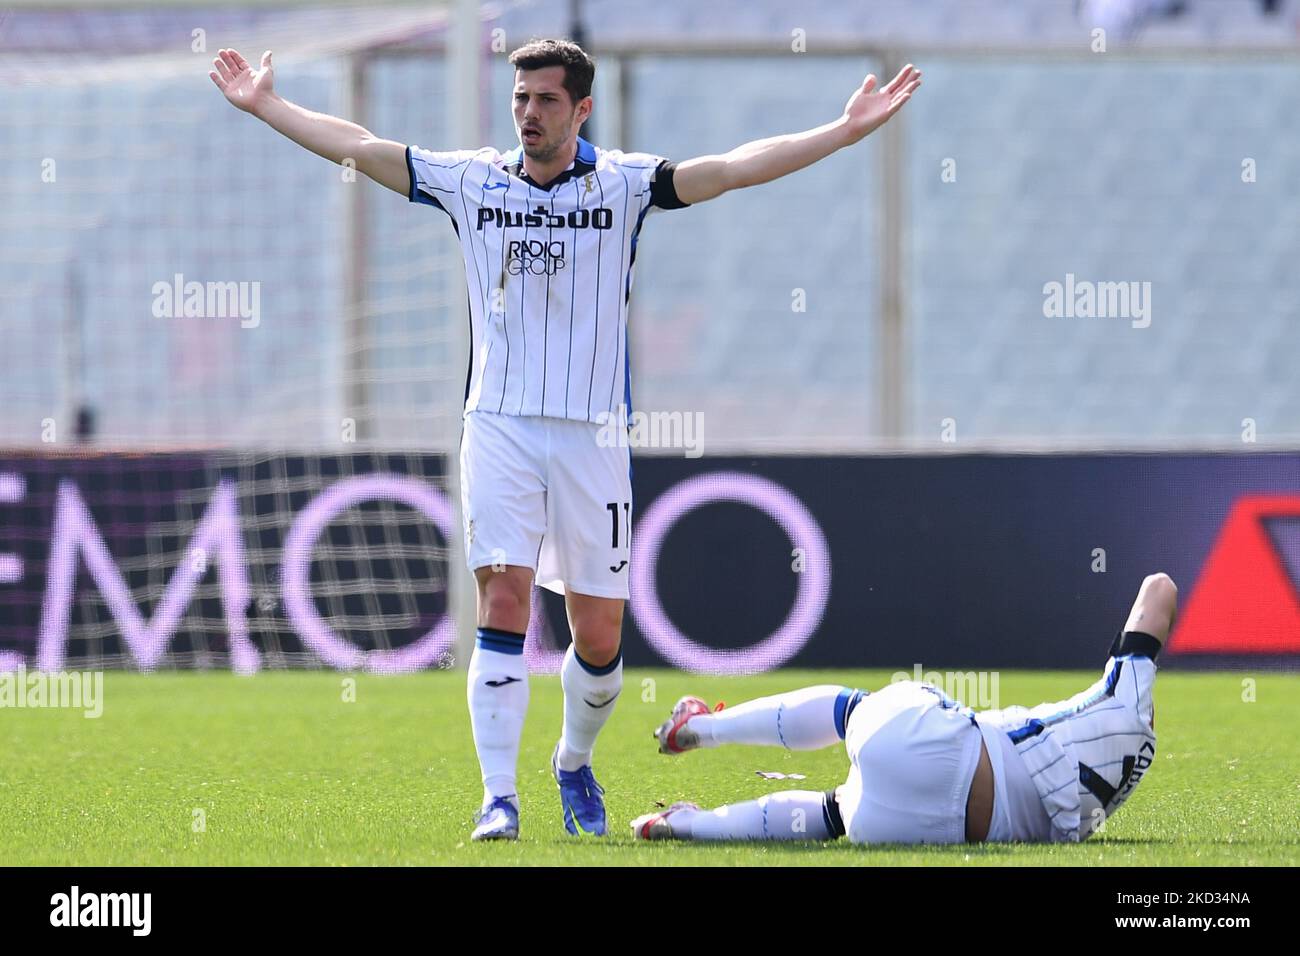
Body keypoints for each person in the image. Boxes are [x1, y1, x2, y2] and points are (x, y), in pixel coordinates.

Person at [210, 37, 921, 841]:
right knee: (503, 601)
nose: (529, 113)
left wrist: (841, 131)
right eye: (520, 98)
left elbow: (732, 167)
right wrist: (268, 105)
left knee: (599, 636)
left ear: (581, 108)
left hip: (592, 437)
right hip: (499, 426)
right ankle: (497, 798)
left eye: (547, 100)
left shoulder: (625, 185)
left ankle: (574, 761)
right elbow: (360, 147)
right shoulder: (472, 179)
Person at [633, 573, 1173, 845]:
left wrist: (1134, 656)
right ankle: (686, 826)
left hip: (940, 751)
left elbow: (1159, 588)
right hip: (917, 827)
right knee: (831, 814)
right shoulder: (1094, 817)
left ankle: (701, 726)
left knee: (854, 710)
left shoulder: (1123, 703)